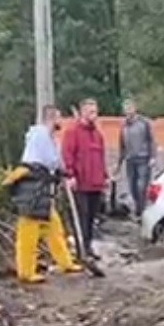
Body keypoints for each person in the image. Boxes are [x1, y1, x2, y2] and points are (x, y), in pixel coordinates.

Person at [5, 105, 84, 283]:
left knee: (54, 227)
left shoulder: (46, 136)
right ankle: (26, 271)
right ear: (51, 118)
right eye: (58, 118)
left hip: (41, 186)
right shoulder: (40, 134)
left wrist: (61, 172)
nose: (60, 122)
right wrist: (63, 170)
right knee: (29, 230)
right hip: (32, 186)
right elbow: (51, 160)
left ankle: (65, 262)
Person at [61, 98, 107, 259]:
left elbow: (101, 157)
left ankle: (87, 247)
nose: (94, 115)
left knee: (91, 218)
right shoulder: (72, 132)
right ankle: (81, 249)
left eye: (95, 112)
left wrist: (105, 177)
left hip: (96, 183)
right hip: (80, 183)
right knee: (82, 217)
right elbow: (67, 155)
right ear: (82, 113)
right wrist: (70, 175)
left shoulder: (97, 134)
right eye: (90, 112)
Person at [118, 98, 155, 219]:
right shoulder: (123, 125)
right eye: (125, 109)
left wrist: (152, 156)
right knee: (132, 186)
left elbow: (151, 140)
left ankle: (141, 211)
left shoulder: (144, 123)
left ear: (135, 108)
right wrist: (119, 164)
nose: (128, 111)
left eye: (130, 108)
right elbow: (122, 145)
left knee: (141, 186)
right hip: (130, 159)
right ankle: (138, 208)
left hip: (143, 159)